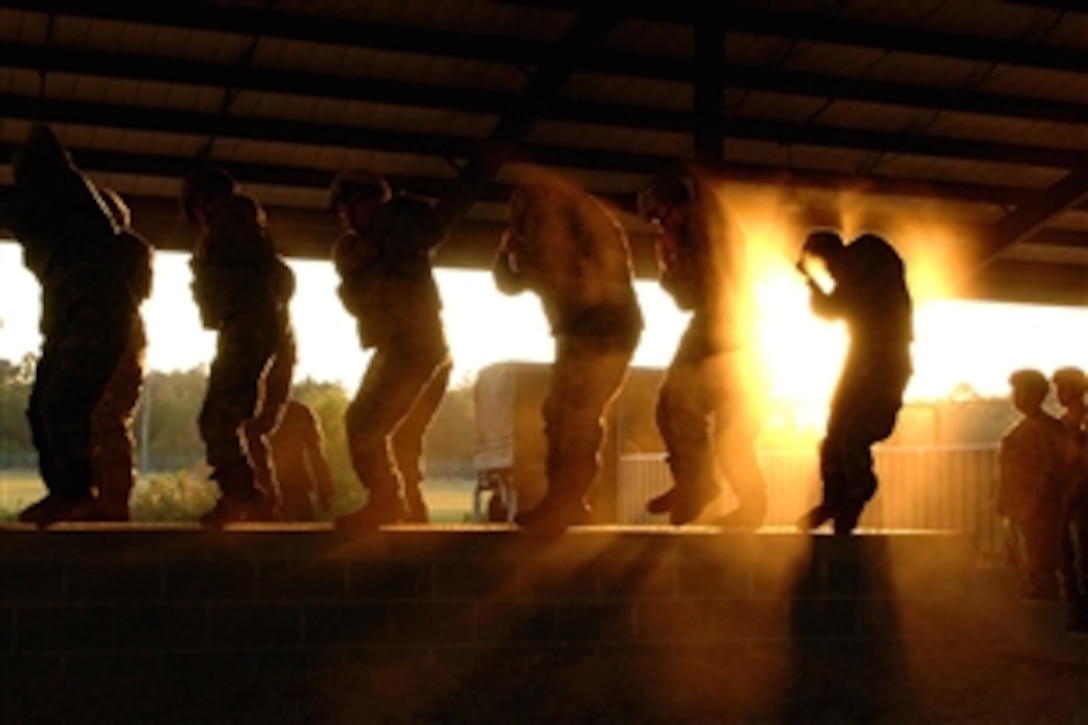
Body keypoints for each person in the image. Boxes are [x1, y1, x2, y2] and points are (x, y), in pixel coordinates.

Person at [493, 177, 643, 536]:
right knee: (561, 412)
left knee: (575, 414)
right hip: (577, 331)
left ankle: (565, 501)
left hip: (604, 330)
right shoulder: (563, 225)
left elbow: (550, 271)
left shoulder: (583, 224)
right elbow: (511, 284)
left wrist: (518, 252)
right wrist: (505, 253)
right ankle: (567, 501)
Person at [4, 125, 132, 526]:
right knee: (41, 405)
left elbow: (17, 210)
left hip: (94, 314)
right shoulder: (64, 195)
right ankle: (64, 492)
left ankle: (75, 491)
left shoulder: (62, 191)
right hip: (73, 316)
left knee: (61, 403)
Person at [636, 170, 767, 527]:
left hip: (726, 329)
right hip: (725, 327)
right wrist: (670, 265)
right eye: (656, 220)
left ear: (676, 203)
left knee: (690, 411)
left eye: (662, 213)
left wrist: (673, 258)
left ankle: (705, 485)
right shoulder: (689, 231)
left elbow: (700, 289)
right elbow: (687, 299)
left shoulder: (704, 224)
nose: (661, 223)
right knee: (711, 421)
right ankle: (704, 485)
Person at [329, 169, 451, 529]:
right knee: (384, 431)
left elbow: (431, 228)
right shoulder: (354, 250)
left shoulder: (401, 226)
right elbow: (356, 300)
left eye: (351, 207)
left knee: (367, 424)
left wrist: (383, 236)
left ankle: (387, 501)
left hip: (414, 345)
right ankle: (405, 508)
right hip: (400, 345)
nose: (347, 217)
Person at [181, 164, 297, 527]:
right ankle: (247, 497)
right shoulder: (247, 228)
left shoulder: (229, 223)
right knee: (234, 422)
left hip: (246, 328)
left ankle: (244, 498)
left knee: (218, 420)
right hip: (250, 328)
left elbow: (263, 283)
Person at [795, 229, 913, 535]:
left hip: (883, 361)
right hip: (863, 356)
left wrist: (811, 280)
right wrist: (812, 280)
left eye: (827, 265)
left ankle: (858, 490)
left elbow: (832, 309)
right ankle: (835, 498)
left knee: (852, 435)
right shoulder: (860, 271)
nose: (831, 274)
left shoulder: (867, 258)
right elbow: (833, 308)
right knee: (834, 437)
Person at [84, 188, 154, 521]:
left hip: (116, 335)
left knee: (106, 418)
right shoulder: (124, 250)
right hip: (105, 334)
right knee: (94, 419)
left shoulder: (122, 249)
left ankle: (113, 499)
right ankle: (98, 495)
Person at [996, 368, 1065, 599]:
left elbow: (1050, 472)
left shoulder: (1046, 429)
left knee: (1039, 569)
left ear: (1034, 394)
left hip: (1037, 513)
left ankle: (1044, 623)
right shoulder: (1027, 428)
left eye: (1019, 391)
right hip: (1020, 510)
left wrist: (1033, 504)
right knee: (1023, 568)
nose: (1015, 396)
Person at [1051, 367, 1088, 628]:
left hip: (1080, 501)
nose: (1058, 393)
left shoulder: (1079, 424)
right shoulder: (1064, 423)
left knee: (1082, 557)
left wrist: (1069, 494)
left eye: (1062, 387)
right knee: (1068, 558)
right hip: (1068, 500)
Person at [268, 398, 335, 521]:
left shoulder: (257, 412)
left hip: (266, 490)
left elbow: (316, 453)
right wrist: (325, 488)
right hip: (295, 489)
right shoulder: (299, 412)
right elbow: (316, 453)